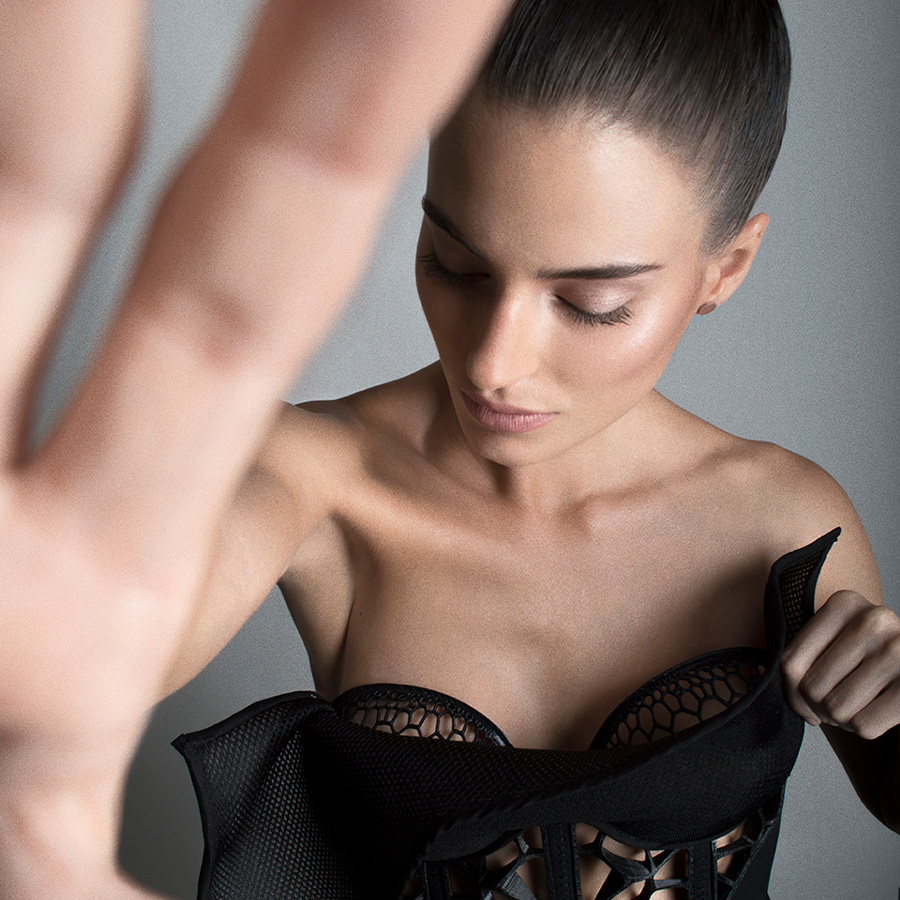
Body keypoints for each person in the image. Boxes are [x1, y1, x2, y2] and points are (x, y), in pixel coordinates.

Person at [0, 2, 897, 900]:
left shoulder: (783, 527)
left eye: (589, 303)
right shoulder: (317, 479)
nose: (492, 364)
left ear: (726, 269)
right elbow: (75, 648)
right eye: (455, 264)